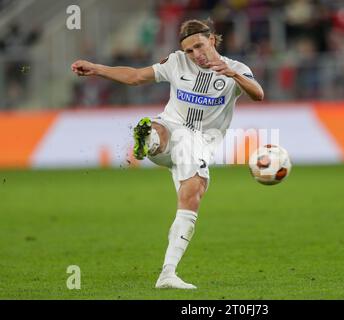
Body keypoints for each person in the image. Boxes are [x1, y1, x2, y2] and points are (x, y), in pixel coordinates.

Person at [71, 19, 264, 289]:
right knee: (162, 128)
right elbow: (137, 77)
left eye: (199, 46)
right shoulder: (176, 62)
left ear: (212, 40)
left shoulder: (237, 69)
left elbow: (258, 94)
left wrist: (233, 74)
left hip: (199, 143)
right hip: (172, 133)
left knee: (191, 197)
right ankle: (147, 139)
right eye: (189, 51)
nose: (195, 54)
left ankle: (168, 274)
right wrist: (97, 68)